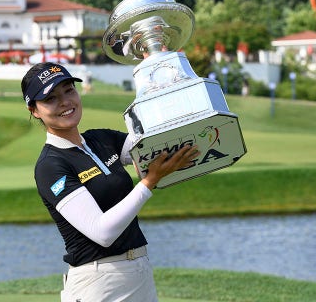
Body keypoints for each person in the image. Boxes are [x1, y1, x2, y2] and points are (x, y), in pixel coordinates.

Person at [21, 62, 199, 301]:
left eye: (68, 90)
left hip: (139, 269)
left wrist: (157, 69)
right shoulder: (50, 166)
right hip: (98, 282)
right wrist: (149, 182)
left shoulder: (101, 139)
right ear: (34, 110)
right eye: (51, 99)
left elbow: (156, 144)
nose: (65, 102)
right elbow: (102, 232)